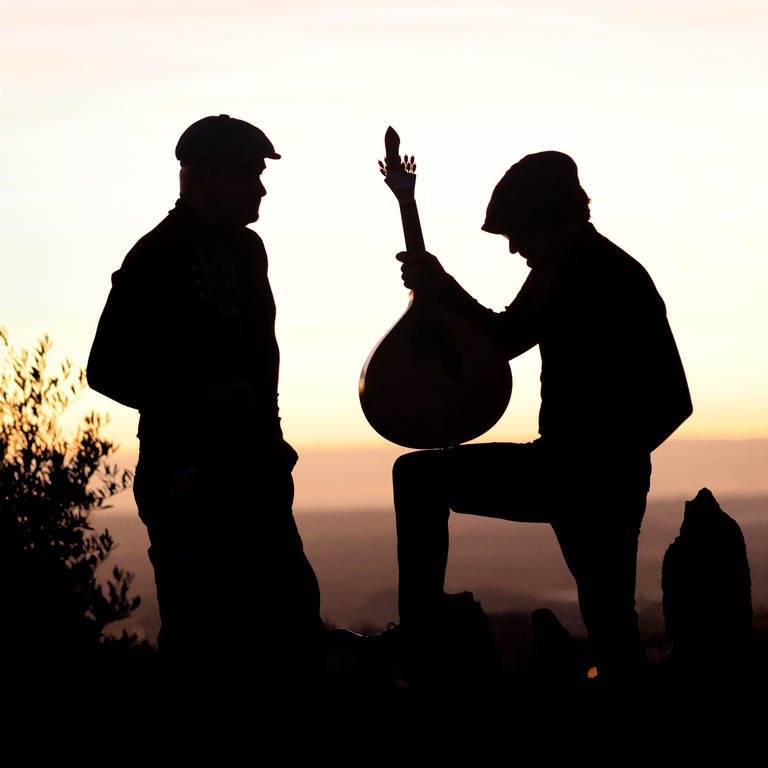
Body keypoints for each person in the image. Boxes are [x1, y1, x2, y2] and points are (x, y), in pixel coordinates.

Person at [334, 150, 693, 693]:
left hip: (591, 475)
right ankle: (421, 632)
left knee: (610, 628)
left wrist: (603, 465)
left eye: (518, 233)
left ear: (550, 220)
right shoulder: (556, 270)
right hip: (566, 465)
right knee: (418, 479)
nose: (514, 247)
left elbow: (672, 400)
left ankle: (420, 633)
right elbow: (504, 339)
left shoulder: (610, 275)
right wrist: (440, 283)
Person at [87, 115, 328, 706]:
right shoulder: (155, 257)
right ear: (206, 178)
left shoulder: (248, 250)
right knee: (202, 640)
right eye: (248, 175)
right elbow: (105, 369)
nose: (260, 189)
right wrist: (193, 399)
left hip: (256, 476)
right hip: (187, 484)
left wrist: (272, 450)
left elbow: (258, 359)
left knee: (292, 625)